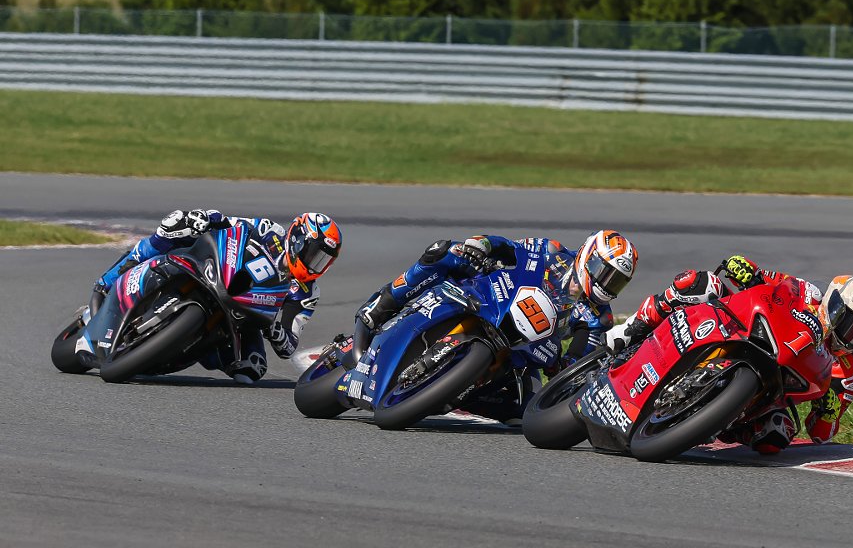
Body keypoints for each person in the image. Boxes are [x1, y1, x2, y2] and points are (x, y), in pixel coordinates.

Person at [604, 255, 853, 454]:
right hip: (744, 331)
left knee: (777, 433)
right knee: (700, 283)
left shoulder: (849, 373)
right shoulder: (808, 292)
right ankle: (632, 329)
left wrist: (829, 409)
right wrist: (748, 271)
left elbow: (821, 434)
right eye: (850, 324)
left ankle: (715, 422)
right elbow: (770, 283)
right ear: (834, 303)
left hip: (771, 391)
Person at [357, 231, 639, 421]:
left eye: (616, 281)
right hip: (490, 298)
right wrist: (483, 245)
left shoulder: (598, 317)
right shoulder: (551, 251)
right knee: (445, 253)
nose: (606, 284)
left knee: (524, 410)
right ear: (590, 256)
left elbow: (578, 359)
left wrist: (562, 368)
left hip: (526, 348)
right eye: (605, 273)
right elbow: (509, 247)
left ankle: (449, 394)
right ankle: (382, 305)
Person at [94, 209, 342, 384]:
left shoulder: (307, 294)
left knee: (253, 368)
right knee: (174, 228)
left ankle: (183, 348)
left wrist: (276, 330)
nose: (315, 264)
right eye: (313, 254)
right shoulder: (270, 232)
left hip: (246, 316)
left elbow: (289, 345)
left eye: (323, 260)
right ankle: (113, 276)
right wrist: (204, 219)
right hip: (217, 269)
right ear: (298, 239)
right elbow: (228, 222)